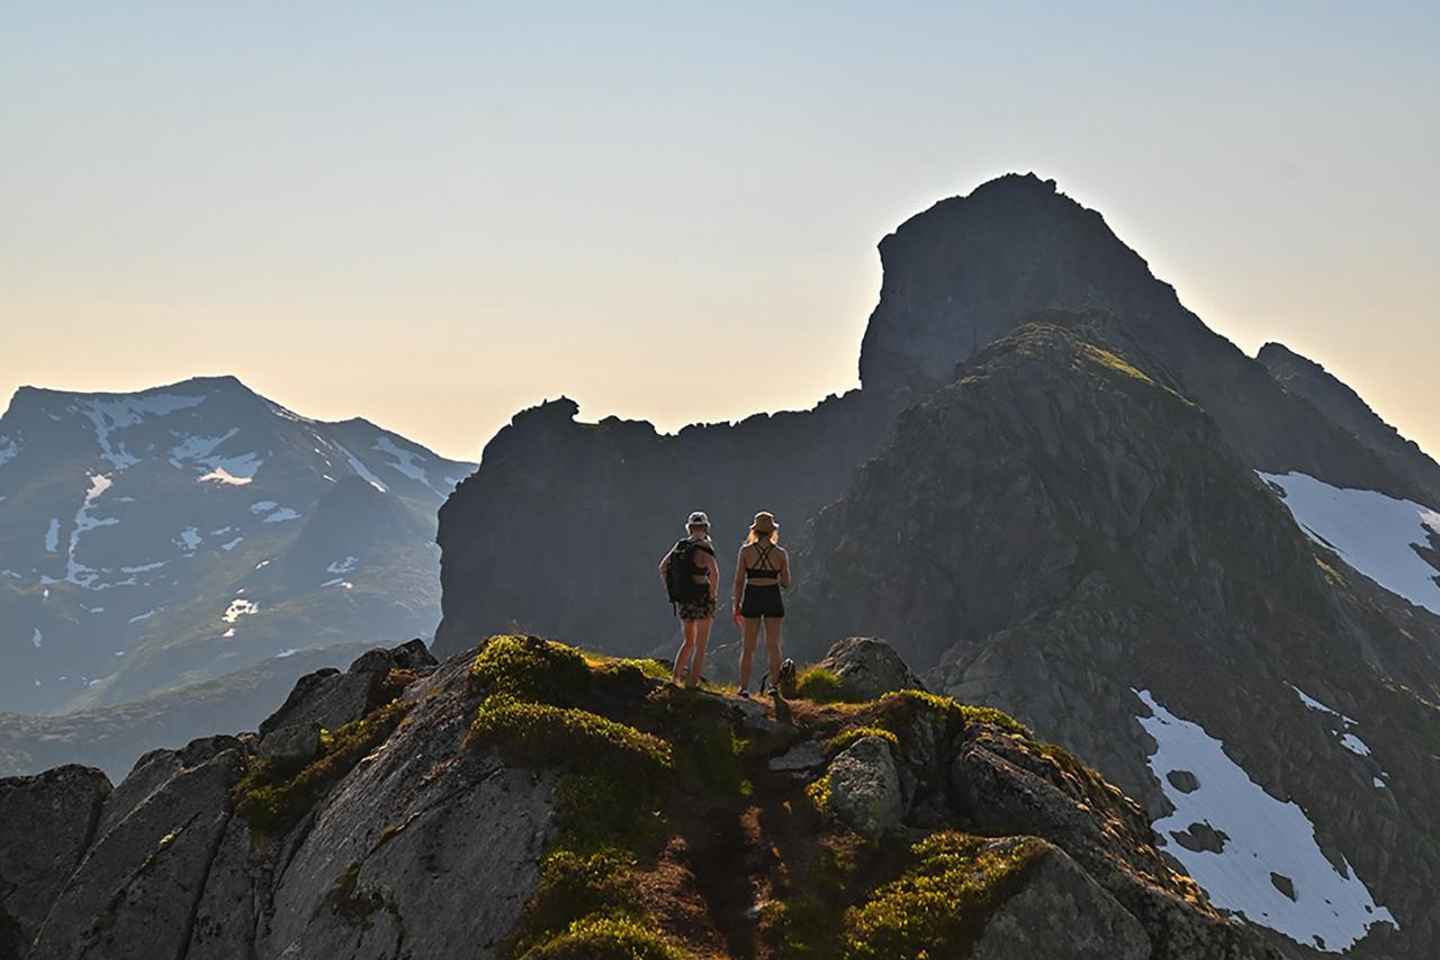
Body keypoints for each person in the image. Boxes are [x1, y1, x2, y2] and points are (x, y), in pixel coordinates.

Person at [731, 511, 790, 698]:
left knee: (748, 646)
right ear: (772, 531)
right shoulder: (780, 553)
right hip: (772, 595)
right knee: (773, 645)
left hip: (752, 596)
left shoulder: (746, 551)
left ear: (755, 531)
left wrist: (736, 605)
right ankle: (774, 687)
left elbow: (739, 581)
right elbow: (786, 583)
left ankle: (744, 688)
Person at [659, 510, 719, 686]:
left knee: (688, 642)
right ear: (706, 528)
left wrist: (672, 589)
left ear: (690, 528)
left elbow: (663, 567)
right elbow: (715, 574)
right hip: (702, 597)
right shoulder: (705, 548)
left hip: (684, 599)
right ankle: (692, 682)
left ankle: (675, 678)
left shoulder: (680, 546)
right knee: (701, 645)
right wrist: (713, 595)